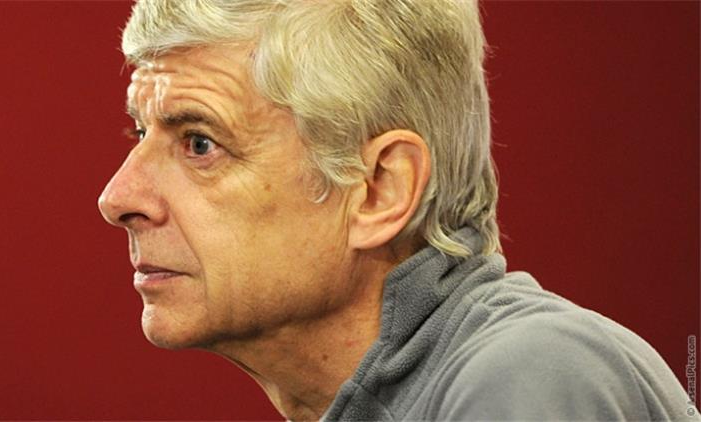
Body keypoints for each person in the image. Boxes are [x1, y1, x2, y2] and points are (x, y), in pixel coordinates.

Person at [97, 1, 696, 420]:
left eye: (200, 143)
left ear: (380, 189)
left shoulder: (532, 373)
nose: (118, 197)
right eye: (139, 132)